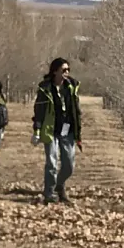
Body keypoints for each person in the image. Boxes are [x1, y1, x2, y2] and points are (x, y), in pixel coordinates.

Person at [33, 57, 82, 204]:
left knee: (69, 165)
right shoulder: (45, 88)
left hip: (67, 131)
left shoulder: (72, 86)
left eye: (68, 70)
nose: (66, 73)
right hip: (51, 130)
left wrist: (78, 132)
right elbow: (39, 111)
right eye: (63, 70)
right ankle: (49, 194)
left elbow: (76, 110)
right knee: (52, 163)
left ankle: (59, 186)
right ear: (55, 72)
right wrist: (37, 130)